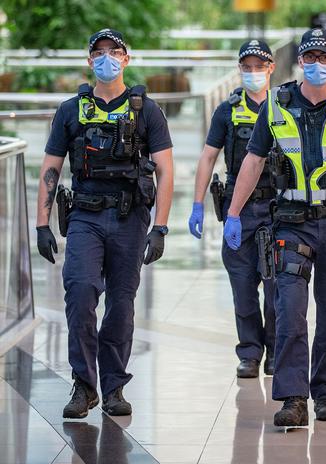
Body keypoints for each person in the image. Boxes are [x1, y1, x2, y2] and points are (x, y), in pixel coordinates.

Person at [224, 28, 326, 426]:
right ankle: (293, 398)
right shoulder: (276, 106)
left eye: (324, 58)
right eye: (309, 58)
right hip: (291, 222)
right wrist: (234, 212)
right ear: (299, 62)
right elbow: (252, 161)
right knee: (290, 309)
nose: (317, 65)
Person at [35, 29, 174, 418]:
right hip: (85, 217)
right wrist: (42, 225)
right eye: (99, 52)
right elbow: (51, 168)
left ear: (126, 59)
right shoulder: (70, 110)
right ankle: (84, 385)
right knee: (79, 292)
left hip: (131, 218)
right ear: (89, 60)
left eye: (114, 52)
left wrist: (160, 227)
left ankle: (114, 387)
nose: (106, 58)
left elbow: (165, 170)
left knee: (121, 304)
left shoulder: (146, 110)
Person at [188, 40, 277, 379]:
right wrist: (197, 204)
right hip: (240, 212)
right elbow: (208, 156)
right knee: (243, 286)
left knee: (276, 287)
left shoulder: (285, 108)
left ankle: (275, 351)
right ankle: (250, 353)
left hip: (277, 209)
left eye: (260, 66)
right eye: (247, 66)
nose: (253, 72)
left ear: (271, 68)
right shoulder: (227, 111)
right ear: (239, 69)